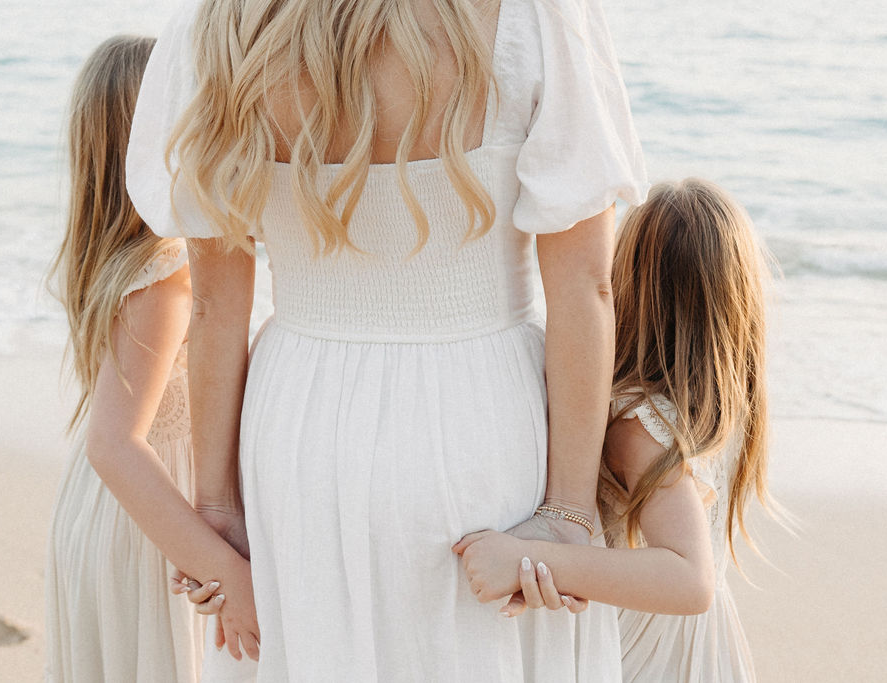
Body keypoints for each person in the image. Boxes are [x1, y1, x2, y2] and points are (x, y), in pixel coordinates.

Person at [126, 0, 649, 679]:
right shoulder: (532, 16)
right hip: (483, 419)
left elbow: (218, 311)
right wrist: (567, 510)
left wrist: (217, 507)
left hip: (297, 429)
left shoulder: (216, 28)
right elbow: (585, 286)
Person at [454, 179, 772, 682]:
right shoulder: (718, 414)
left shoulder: (640, 421)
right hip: (701, 654)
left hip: (651, 663)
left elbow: (690, 580)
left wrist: (529, 558)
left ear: (623, 277)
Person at [44, 34, 255, 683]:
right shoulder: (165, 274)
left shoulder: (116, 263)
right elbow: (116, 444)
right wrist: (230, 575)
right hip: (151, 521)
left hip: (106, 508)